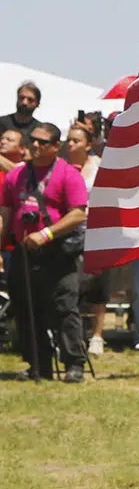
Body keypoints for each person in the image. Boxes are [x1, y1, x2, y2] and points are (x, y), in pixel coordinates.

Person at [0, 124, 88, 382]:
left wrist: (47, 233)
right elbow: (5, 212)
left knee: (64, 307)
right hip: (23, 252)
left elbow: (78, 213)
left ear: (55, 146)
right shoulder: (16, 175)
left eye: (42, 142)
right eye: (33, 140)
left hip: (58, 251)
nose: (35, 146)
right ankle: (38, 364)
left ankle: (74, 364)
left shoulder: (68, 174)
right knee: (26, 308)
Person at [64, 125, 108, 356]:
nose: (70, 144)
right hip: (70, 232)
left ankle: (97, 336)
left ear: (88, 145)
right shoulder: (62, 168)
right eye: (68, 140)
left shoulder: (99, 166)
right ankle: (76, 334)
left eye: (76, 141)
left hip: (95, 230)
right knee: (73, 284)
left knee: (96, 284)